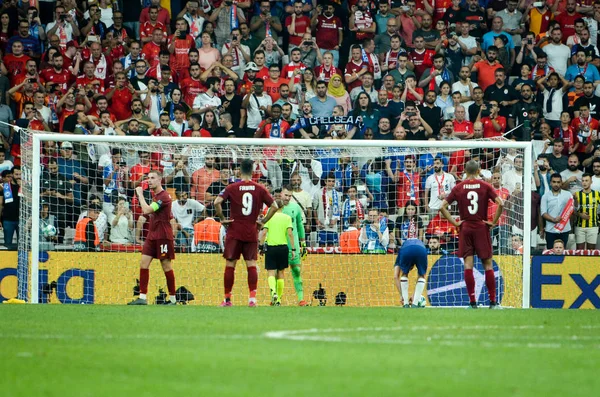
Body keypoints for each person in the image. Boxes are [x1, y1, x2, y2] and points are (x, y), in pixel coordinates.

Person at [439, 160, 504, 309]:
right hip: (481, 227)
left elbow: (442, 207)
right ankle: (493, 302)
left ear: (465, 171)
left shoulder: (459, 187)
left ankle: (472, 302)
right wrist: (493, 222)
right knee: (487, 265)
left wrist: (455, 223)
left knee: (468, 265)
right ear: (479, 170)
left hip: (466, 227)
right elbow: (501, 203)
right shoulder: (485, 186)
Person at [214, 159, 278, 307]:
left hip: (234, 231)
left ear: (240, 171)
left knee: (230, 264)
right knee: (251, 264)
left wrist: (223, 219)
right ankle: (252, 299)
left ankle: (227, 300)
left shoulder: (232, 187)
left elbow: (217, 202)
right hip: (251, 231)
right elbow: (274, 206)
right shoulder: (260, 189)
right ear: (253, 171)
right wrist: (263, 221)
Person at [128, 170, 177, 306]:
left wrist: (139, 194)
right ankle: (142, 297)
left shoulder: (164, 197)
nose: (149, 180)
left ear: (160, 180)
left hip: (163, 236)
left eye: (152, 178)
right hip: (151, 235)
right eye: (148, 178)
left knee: (166, 266)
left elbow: (147, 210)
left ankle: (173, 299)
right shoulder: (155, 196)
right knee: (144, 263)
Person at [258, 198, 296, 306]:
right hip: (283, 248)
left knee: (271, 272)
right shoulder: (287, 218)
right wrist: (293, 249)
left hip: (271, 248)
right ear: (283, 207)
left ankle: (273, 292)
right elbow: (290, 234)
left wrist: (260, 247)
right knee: (281, 273)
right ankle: (278, 299)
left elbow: (264, 233)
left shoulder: (269, 218)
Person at [281, 185, 308, 306]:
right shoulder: (275, 208)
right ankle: (276, 298)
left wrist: (303, 243)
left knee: (296, 270)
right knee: (278, 272)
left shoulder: (295, 207)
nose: (287, 198)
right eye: (286, 195)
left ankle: (301, 299)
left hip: (294, 245)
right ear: (281, 194)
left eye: (290, 196)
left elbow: (300, 225)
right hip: (278, 244)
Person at [394, 233, 428, 308]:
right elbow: (423, 276)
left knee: (404, 274)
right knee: (422, 276)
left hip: (406, 249)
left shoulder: (400, 255)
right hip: (421, 248)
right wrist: (415, 295)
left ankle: (406, 304)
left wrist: (402, 295)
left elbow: (396, 277)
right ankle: (415, 304)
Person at [540, 173, 573, 250]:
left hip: (564, 229)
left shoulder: (568, 194)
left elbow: (573, 210)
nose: (556, 184)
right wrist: (553, 219)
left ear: (561, 183)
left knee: (562, 253)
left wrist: (577, 201)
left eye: (558, 182)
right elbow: (543, 213)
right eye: (554, 182)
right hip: (551, 230)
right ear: (550, 183)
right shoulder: (545, 196)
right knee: (551, 253)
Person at [573, 173, 600, 250]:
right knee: (579, 251)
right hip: (579, 226)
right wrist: (580, 214)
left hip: (593, 226)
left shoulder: (597, 194)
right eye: (583, 181)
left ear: (591, 181)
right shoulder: (576, 195)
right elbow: (572, 211)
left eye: (586, 180)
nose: (584, 182)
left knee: (591, 252)